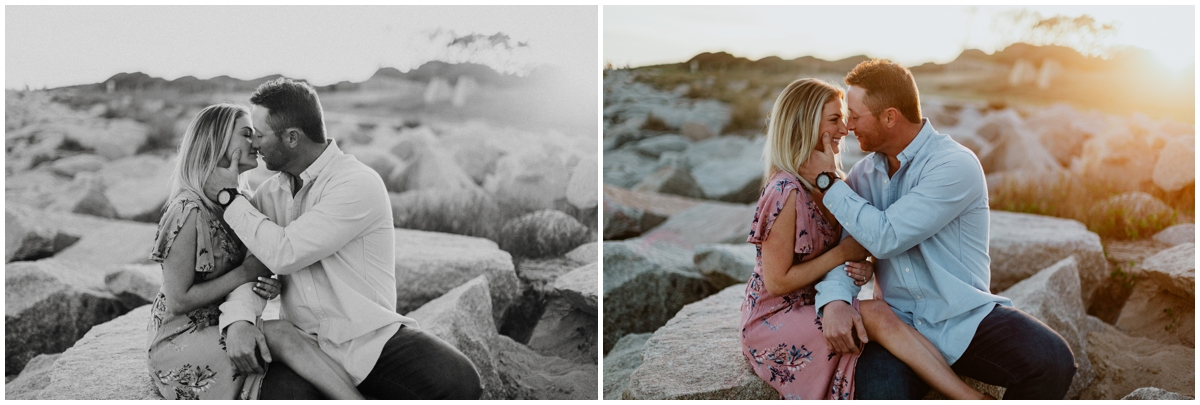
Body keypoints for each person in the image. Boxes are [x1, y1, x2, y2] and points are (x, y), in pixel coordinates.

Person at [799, 59, 1077, 400]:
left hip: (963, 319)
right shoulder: (862, 177)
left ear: (890, 117)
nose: (848, 125)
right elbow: (842, 252)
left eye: (855, 115)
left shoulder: (954, 164)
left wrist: (828, 181)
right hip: (896, 327)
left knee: (1053, 361)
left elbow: (886, 237)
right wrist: (835, 301)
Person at [202, 77, 483, 400]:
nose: (255, 146)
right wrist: (238, 320)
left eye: (261, 135)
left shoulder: (356, 183)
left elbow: (285, 252)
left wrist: (229, 199)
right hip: (304, 346)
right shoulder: (268, 194)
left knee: (458, 381)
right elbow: (253, 265)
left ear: (292, 138)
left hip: (369, 342)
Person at [740, 78, 994, 400]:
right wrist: (842, 254)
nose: (845, 129)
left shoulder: (838, 184)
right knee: (875, 314)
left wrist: (865, 266)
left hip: (812, 304)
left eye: (845, 118)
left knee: (877, 314)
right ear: (805, 124)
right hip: (773, 319)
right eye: (834, 120)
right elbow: (776, 282)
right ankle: (968, 397)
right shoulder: (784, 191)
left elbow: (865, 246)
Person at [147, 103, 361, 400]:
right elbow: (179, 299)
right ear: (217, 142)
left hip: (223, 323)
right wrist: (246, 273)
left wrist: (265, 284)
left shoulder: (243, 203)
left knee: (296, 338)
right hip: (181, 337)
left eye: (257, 133)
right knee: (284, 335)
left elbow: (258, 268)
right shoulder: (188, 209)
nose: (256, 142)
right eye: (247, 134)